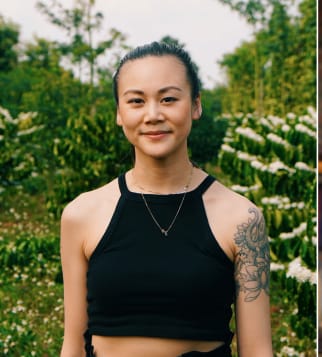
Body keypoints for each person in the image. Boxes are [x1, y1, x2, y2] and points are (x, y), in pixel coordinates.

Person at [59, 42, 273, 357]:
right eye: (136, 101)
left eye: (169, 99)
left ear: (196, 105)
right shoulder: (81, 214)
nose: (153, 115)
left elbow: (257, 351)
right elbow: (73, 346)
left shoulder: (242, 219)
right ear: (119, 113)